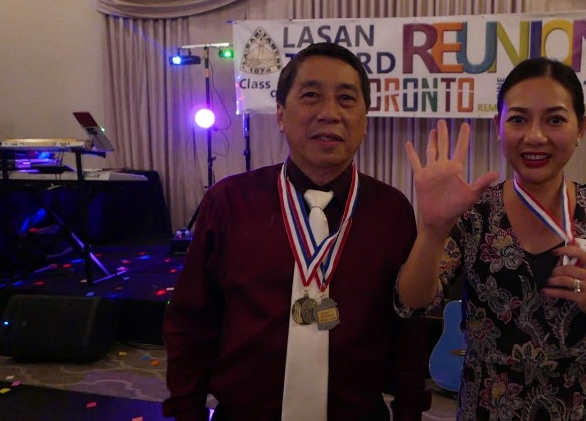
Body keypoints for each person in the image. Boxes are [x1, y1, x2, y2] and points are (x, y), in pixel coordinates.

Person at [163, 42, 431, 421]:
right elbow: (192, 319)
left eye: (346, 98)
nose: (330, 113)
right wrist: (186, 411)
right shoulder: (230, 202)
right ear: (280, 114)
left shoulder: (391, 211)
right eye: (310, 96)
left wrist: (409, 411)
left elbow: (407, 330)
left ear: (365, 120)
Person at [396, 57, 586, 420]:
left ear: (581, 127)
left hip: (583, 409)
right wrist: (433, 228)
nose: (535, 136)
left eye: (555, 120)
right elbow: (412, 303)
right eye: (518, 119)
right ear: (498, 126)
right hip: (489, 408)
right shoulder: (474, 212)